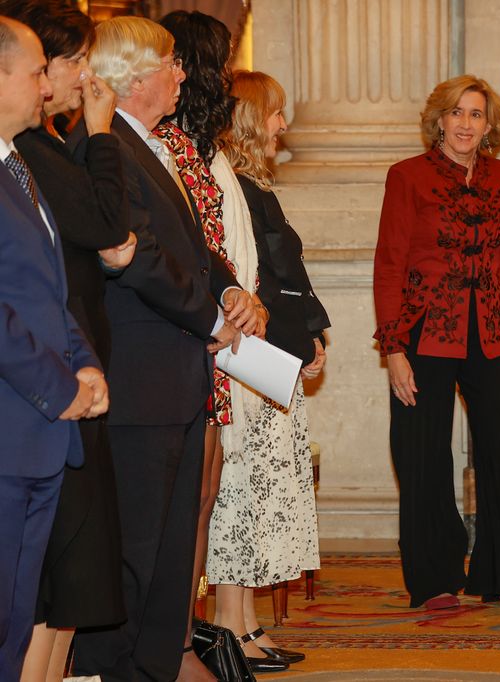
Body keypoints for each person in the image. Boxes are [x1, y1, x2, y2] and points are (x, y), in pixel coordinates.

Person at [69, 16, 258, 681]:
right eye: (171, 63)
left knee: (170, 554)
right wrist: (209, 318)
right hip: (139, 378)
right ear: (133, 76)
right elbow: (137, 255)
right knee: (133, 552)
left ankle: (154, 669)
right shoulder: (103, 146)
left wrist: (230, 289)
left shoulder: (152, 142)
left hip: (175, 378)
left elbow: (191, 244)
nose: (182, 74)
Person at [374, 74, 500, 611]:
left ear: (489, 126)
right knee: (423, 453)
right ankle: (435, 577)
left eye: (476, 114)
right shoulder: (407, 176)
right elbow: (389, 265)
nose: (466, 123)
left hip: (488, 332)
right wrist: (394, 349)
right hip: (422, 332)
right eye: (457, 112)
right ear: (439, 120)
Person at [2, 3, 135, 680]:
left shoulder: (18, 165)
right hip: (18, 419)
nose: (50, 86)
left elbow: (54, 287)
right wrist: (63, 388)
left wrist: (85, 366)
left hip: (46, 424)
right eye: (37, 72)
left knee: (24, 613)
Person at [151, 11, 275, 678]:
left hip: (221, 335)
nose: (226, 76)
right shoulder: (165, 147)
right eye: (219, 63)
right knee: (184, 504)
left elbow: (216, 251)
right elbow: (176, 252)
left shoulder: (201, 147)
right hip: (187, 340)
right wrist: (217, 306)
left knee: (201, 500)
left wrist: (236, 294)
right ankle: (172, 644)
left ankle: (183, 638)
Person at [206, 69, 326, 669]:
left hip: (268, 355)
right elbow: (253, 282)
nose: (283, 124)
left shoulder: (251, 186)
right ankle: (230, 626)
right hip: (248, 361)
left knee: (256, 493)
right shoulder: (231, 186)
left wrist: (310, 332)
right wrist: (297, 337)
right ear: (251, 118)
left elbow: (285, 277)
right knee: (239, 492)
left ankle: (246, 622)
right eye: (275, 112)